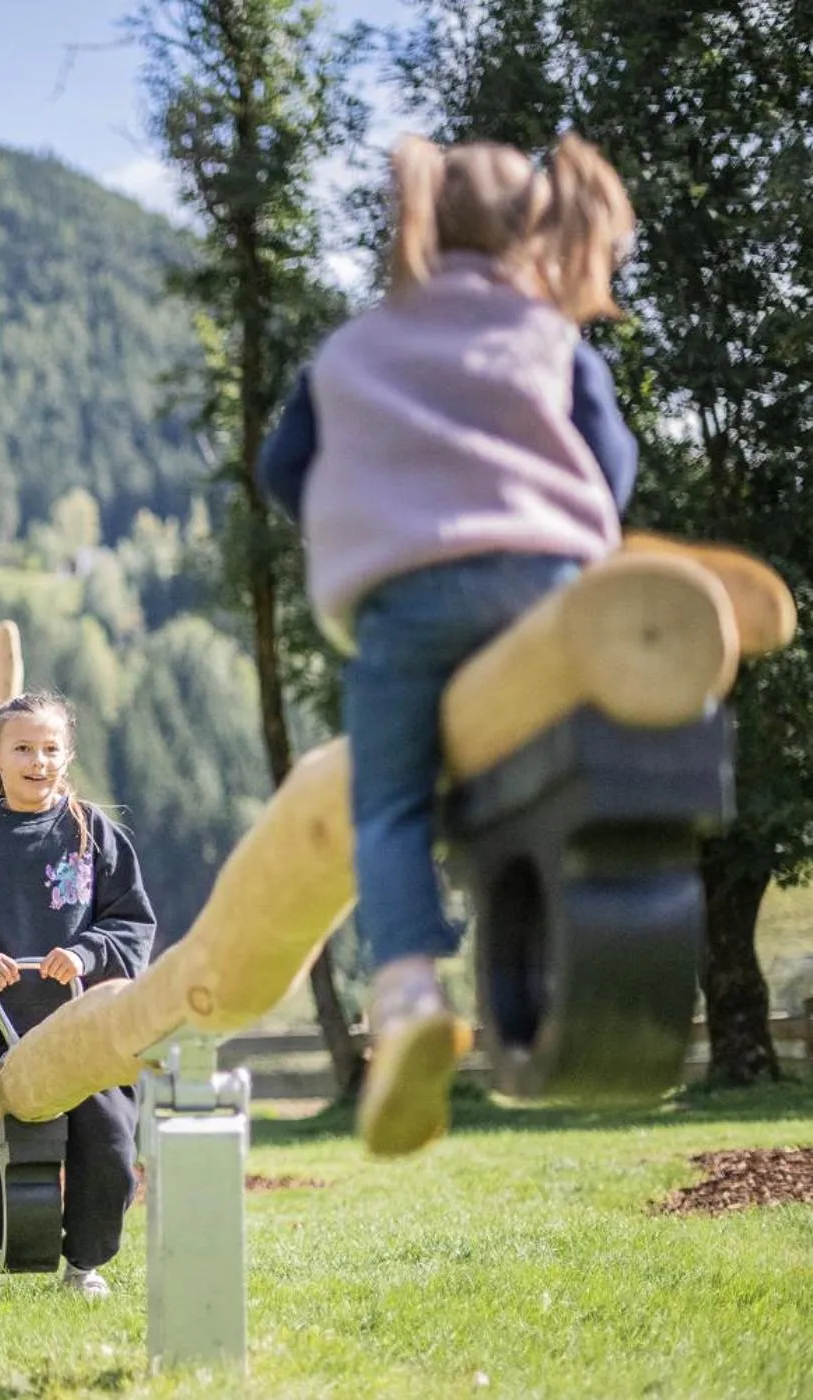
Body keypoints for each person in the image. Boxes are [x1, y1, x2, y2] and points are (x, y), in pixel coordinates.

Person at [256, 132, 640, 1158]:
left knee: (390, 805)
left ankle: (411, 992)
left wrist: (370, 514)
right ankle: (570, 949)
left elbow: (283, 469)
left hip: (407, 601)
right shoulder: (549, 338)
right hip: (546, 590)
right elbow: (612, 466)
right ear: (535, 231)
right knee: (553, 774)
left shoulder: (354, 350)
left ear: (418, 219)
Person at [0, 690, 157, 1306]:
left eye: (49, 748)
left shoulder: (95, 833)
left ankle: (83, 1265)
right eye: (22, 748)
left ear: (67, 755)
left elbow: (131, 924)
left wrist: (88, 952)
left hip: (77, 1017)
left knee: (111, 1136)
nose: (37, 761)